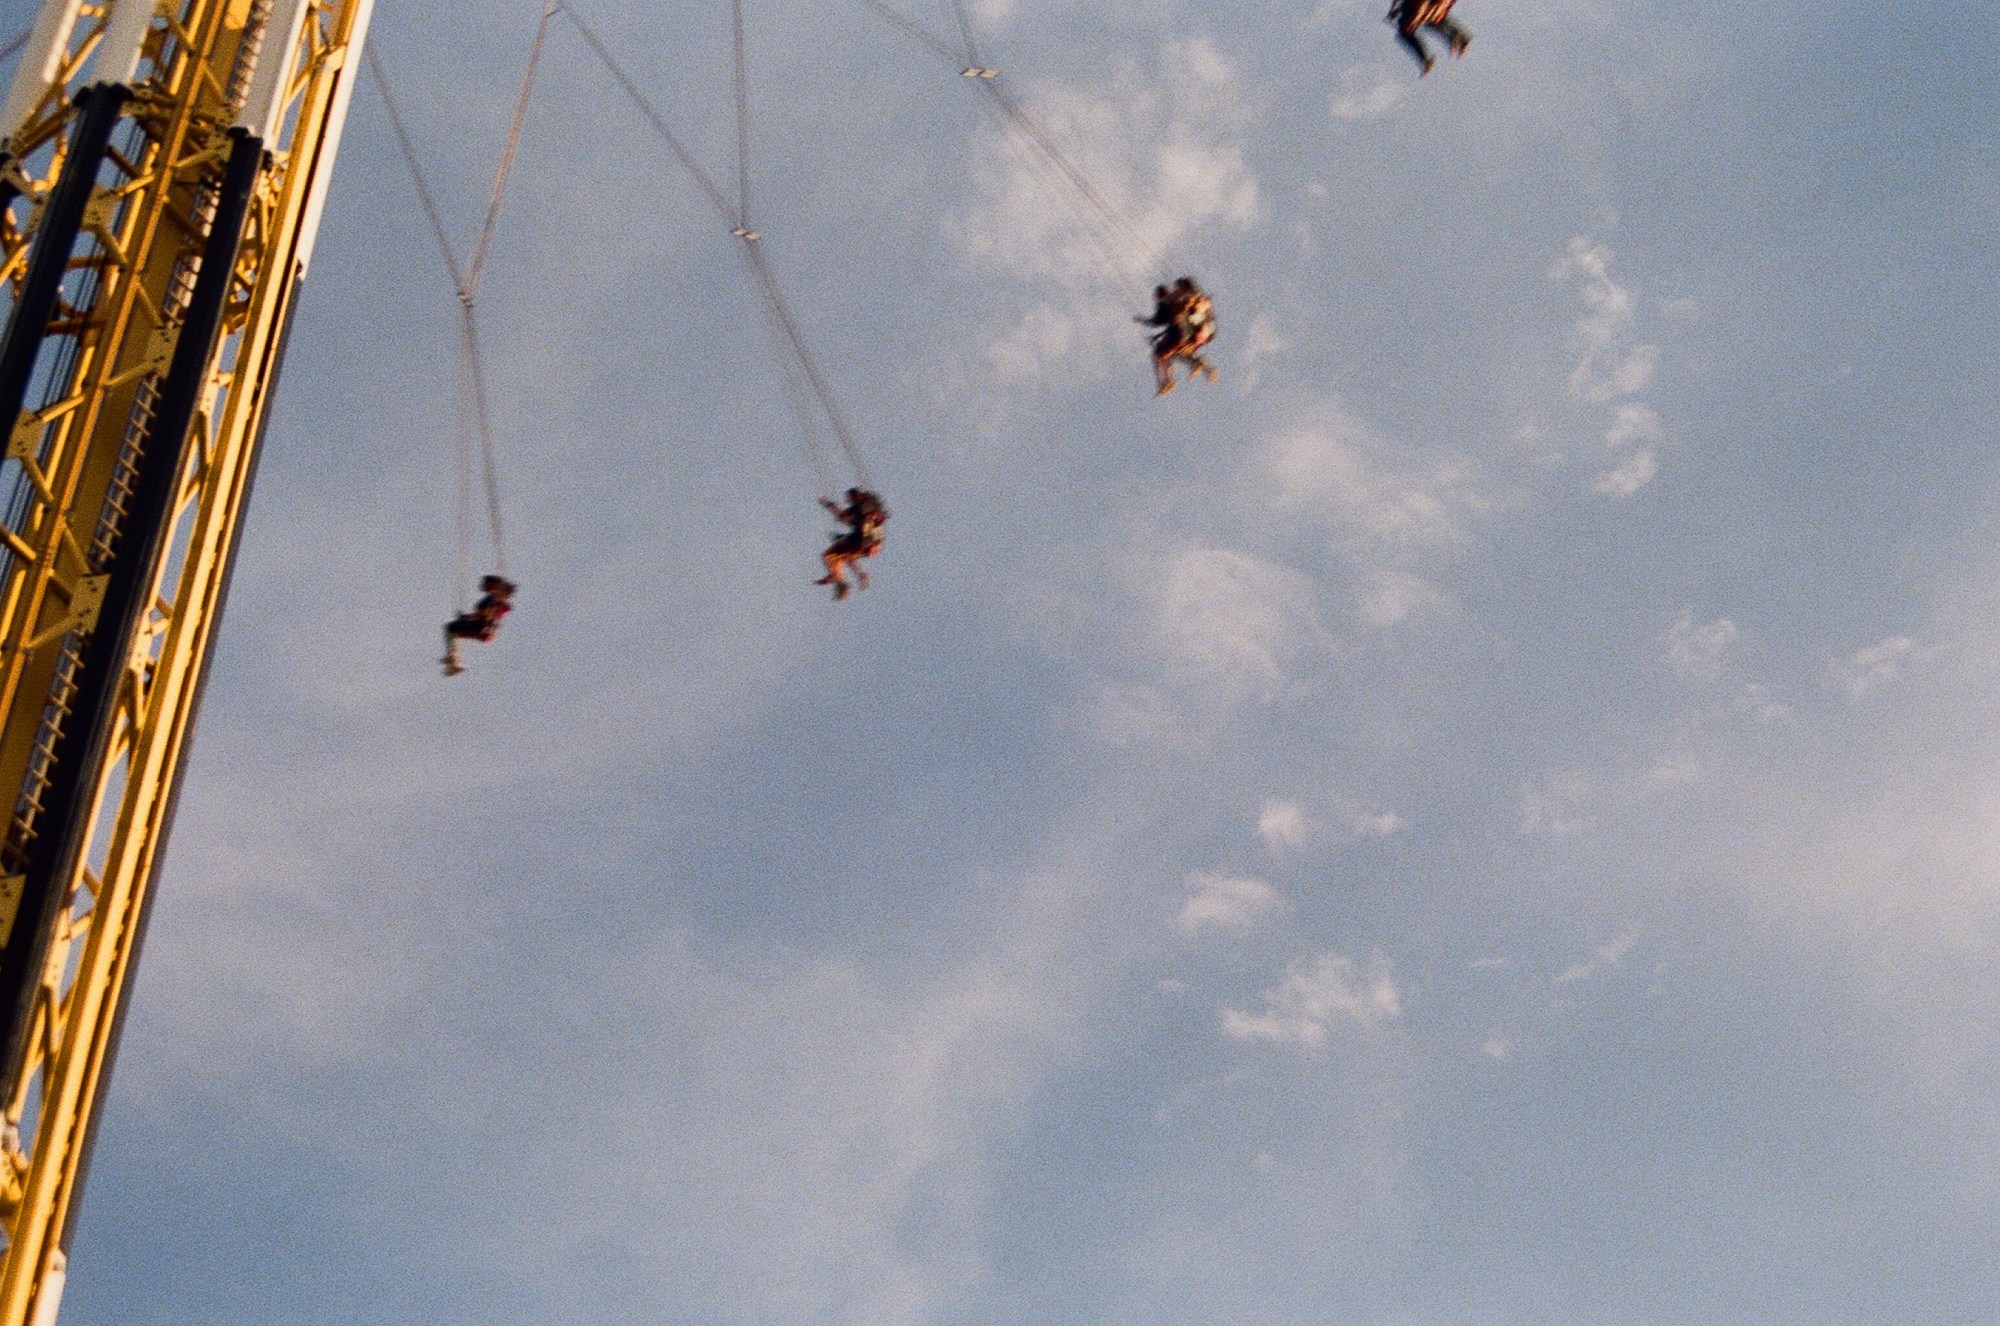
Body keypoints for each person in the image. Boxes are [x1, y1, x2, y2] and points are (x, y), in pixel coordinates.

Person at [1137, 276, 1218, 396]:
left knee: (1164, 352)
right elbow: (1160, 320)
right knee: (1172, 351)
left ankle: (1169, 380)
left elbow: (1157, 321)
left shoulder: (1170, 305)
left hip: (1187, 333)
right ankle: (1174, 377)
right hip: (1192, 333)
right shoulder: (1176, 305)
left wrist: (1144, 321)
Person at [815, 488, 888, 601]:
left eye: (849, 498)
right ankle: (837, 578)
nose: (848, 500)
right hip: (871, 547)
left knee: (829, 555)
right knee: (840, 556)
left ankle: (838, 580)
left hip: (861, 542)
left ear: (856, 496)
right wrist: (860, 573)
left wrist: (829, 505)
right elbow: (848, 558)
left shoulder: (859, 507)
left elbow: (842, 516)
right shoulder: (873, 510)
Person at [441, 574, 516, 676]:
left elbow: (483, 614)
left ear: (492, 585)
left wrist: (465, 617)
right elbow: (488, 613)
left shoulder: (492, 599)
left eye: (485, 583)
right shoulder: (498, 601)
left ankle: (453, 661)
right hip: (487, 632)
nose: (482, 585)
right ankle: (452, 660)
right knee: (453, 630)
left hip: (480, 628)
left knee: (451, 628)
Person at [1387, 0, 1471, 75]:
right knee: (1432, 20)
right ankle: (1459, 38)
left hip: (1423, 8)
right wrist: (1394, 10)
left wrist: (1417, 18)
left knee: (1431, 19)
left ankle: (1459, 38)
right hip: (1423, 8)